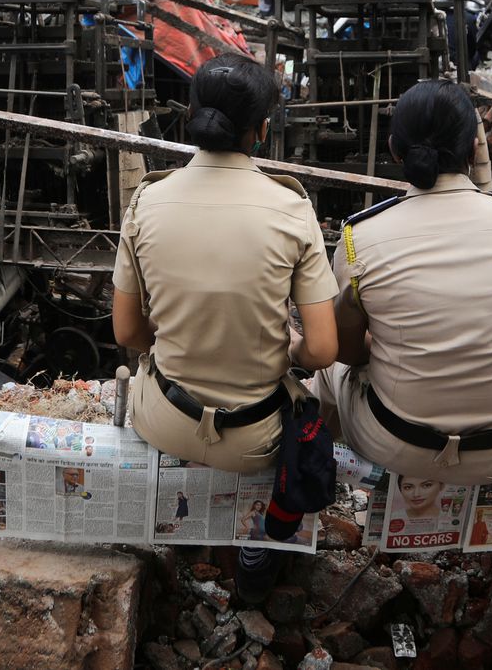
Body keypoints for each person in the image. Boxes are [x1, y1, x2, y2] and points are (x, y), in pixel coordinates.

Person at [113, 53, 339, 595]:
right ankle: (262, 544)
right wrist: (287, 352)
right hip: (255, 439)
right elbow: (325, 349)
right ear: (261, 130)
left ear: (191, 114)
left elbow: (127, 334)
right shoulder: (292, 209)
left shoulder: (147, 200)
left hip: (164, 419)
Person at [311, 82, 492, 485]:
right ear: (474, 149)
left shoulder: (361, 238)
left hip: (392, 442)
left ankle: (317, 476)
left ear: (394, 148)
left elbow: (352, 351)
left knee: (327, 371)